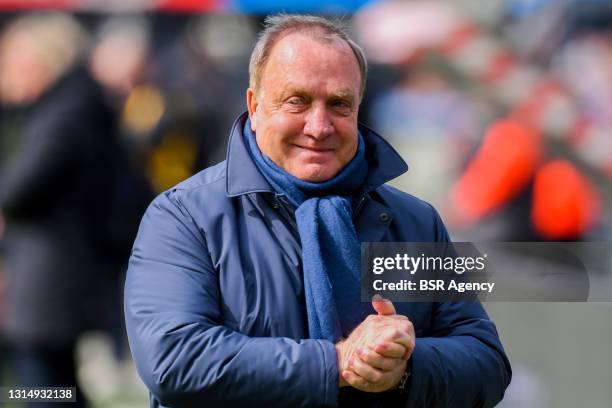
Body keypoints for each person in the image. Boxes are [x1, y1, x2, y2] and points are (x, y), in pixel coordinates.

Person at [125, 14, 511, 407]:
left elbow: (487, 361)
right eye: (298, 101)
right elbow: (174, 360)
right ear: (255, 106)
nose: (319, 125)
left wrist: (405, 368)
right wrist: (338, 364)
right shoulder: (184, 217)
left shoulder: (415, 222)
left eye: (340, 104)